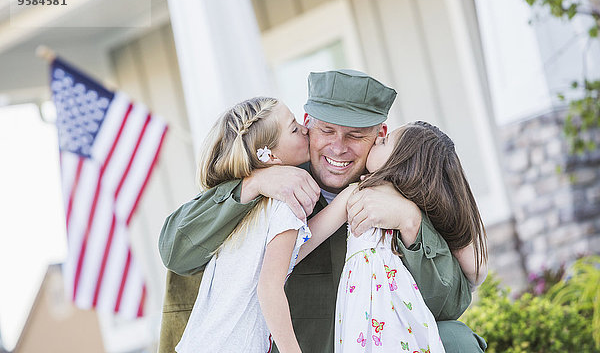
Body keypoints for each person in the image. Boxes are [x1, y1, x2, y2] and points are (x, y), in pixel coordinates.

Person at [158, 69, 487, 353]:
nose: (338, 147)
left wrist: (410, 222)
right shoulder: (267, 187)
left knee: (455, 341)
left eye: (355, 135)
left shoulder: (400, 194)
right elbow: (176, 250)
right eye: (327, 130)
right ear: (307, 125)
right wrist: (254, 184)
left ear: (380, 136)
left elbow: (450, 305)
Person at [299, 121, 488, 352]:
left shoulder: (414, 210)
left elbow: (477, 269)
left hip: (401, 324)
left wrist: (411, 218)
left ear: (403, 162)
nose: (377, 140)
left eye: (385, 141)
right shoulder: (358, 195)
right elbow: (303, 243)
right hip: (364, 327)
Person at [176, 97, 313, 352]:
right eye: (294, 129)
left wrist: (350, 197)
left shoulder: (243, 210)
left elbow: (299, 248)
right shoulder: (285, 201)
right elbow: (269, 288)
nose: (306, 129)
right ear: (269, 155)